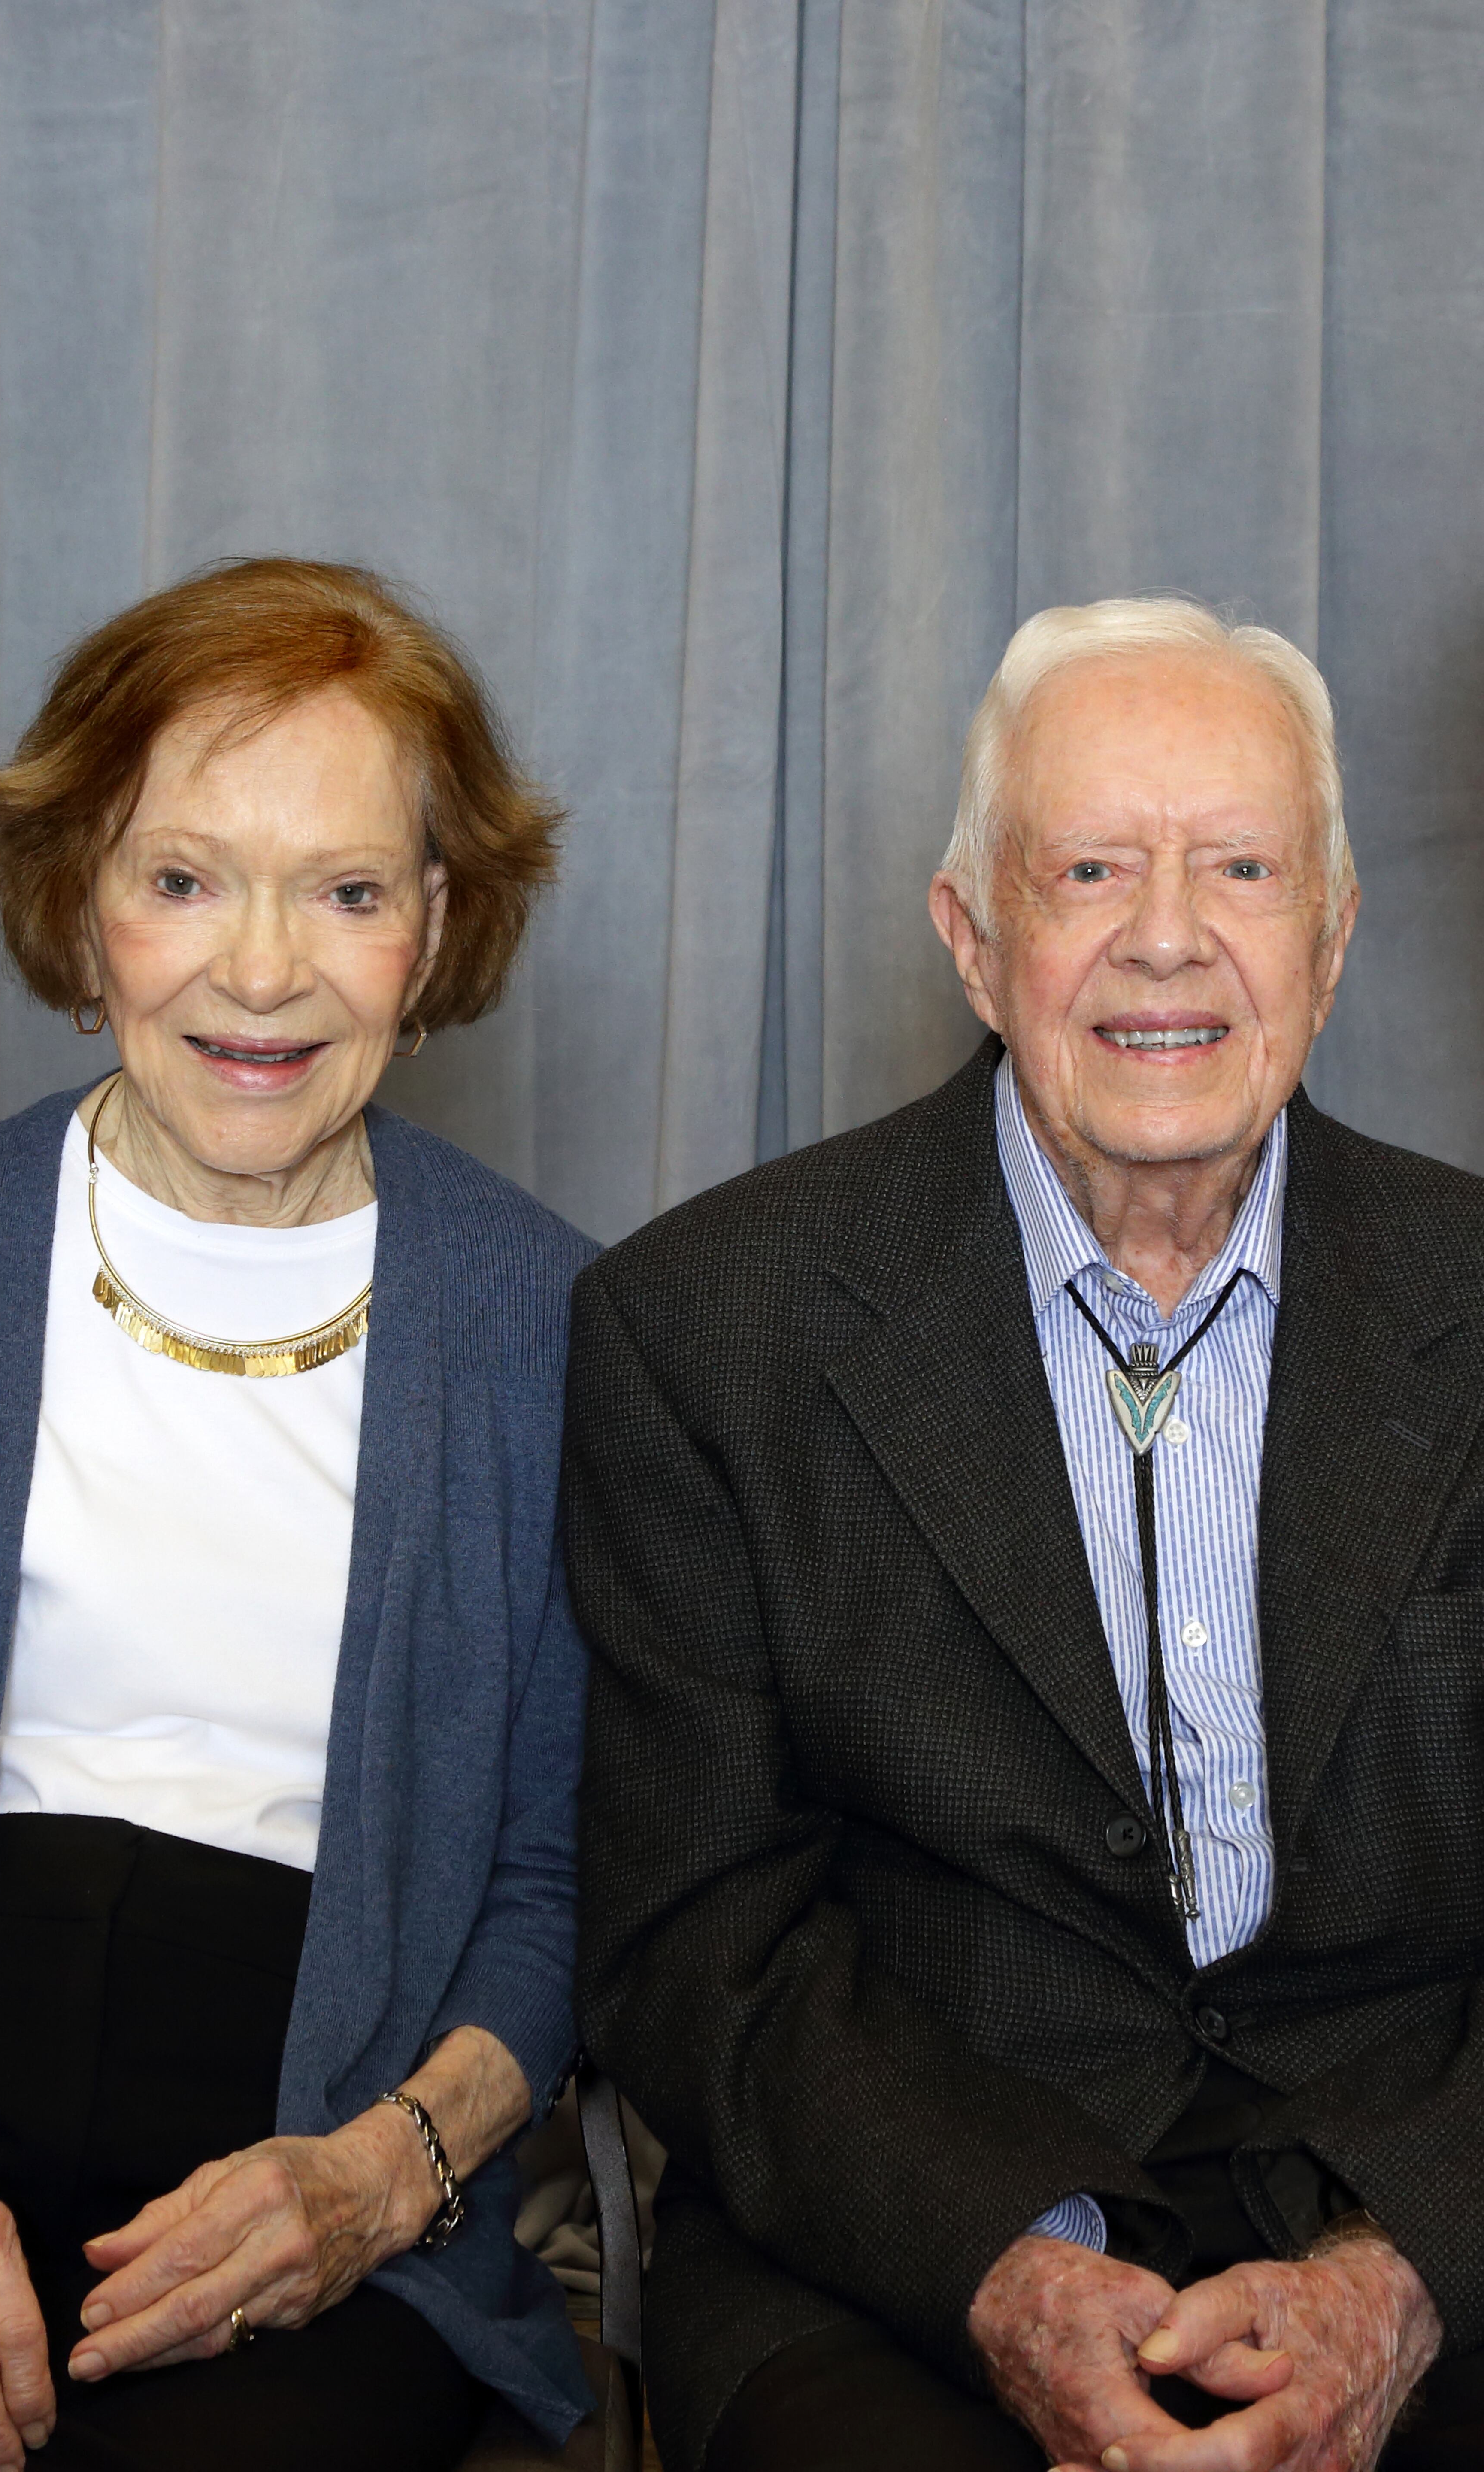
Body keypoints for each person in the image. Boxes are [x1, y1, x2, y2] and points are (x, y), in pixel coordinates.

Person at [568, 597, 1484, 2472]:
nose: (1169, 934)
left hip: (1428, 2202)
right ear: (974, 939)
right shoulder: (709, 1329)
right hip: (904, 2229)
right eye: (1088, 869)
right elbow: (697, 1942)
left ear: (1334, 933)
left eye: (1241, 864)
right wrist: (1012, 2267)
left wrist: (1403, 2271)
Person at [0, 559, 595, 2472]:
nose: (261, 972)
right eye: (184, 881)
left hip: (320, 2175)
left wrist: (378, 2179)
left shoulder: (559, 1336)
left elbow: (563, 1884)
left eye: (347, 892)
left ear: (434, 933)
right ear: (83, 906)